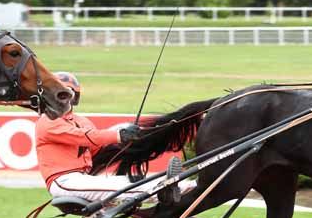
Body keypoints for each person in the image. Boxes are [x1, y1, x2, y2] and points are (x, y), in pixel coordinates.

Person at [36, 72, 194, 204]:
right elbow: (87, 137)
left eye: (68, 93)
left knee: (130, 182)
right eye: (59, 94)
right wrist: (119, 134)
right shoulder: (48, 121)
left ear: (75, 97)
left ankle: (188, 185)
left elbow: (98, 147)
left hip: (82, 179)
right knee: (128, 188)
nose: (63, 99)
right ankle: (176, 188)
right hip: (64, 182)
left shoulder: (82, 121)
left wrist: (130, 138)